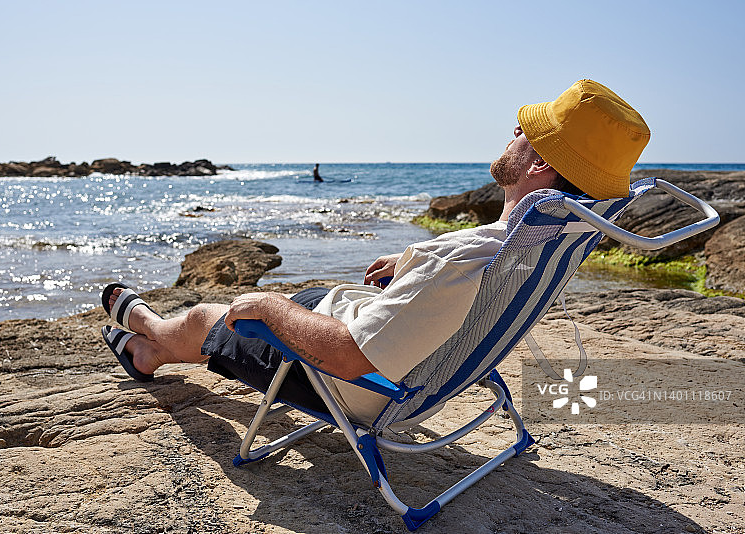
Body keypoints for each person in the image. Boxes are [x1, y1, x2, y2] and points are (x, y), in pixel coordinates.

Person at [101, 79, 650, 425]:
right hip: (410, 360)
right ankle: (150, 342)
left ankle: (150, 342)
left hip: (352, 385)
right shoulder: (552, 237)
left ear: (539, 164)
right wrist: (409, 267)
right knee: (285, 304)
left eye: (525, 132)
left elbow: (349, 358)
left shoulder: (461, 264)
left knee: (209, 316)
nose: (512, 131)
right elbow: (454, 285)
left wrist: (269, 308)